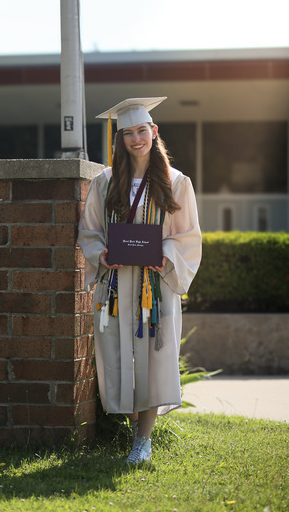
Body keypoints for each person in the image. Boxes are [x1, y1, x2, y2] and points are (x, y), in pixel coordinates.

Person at [78, 97, 202, 464]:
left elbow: (188, 236)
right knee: (119, 357)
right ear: (120, 139)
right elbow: (90, 232)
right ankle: (133, 428)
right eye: (128, 133)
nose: (136, 139)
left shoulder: (176, 182)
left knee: (154, 359)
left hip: (155, 288)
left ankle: (143, 441)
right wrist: (100, 254)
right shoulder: (104, 182)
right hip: (116, 287)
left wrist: (166, 255)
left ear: (154, 131)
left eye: (142, 130)